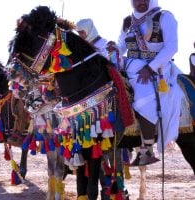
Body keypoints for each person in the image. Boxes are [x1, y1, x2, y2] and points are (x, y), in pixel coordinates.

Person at [113, 0, 184, 166]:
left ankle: (146, 148)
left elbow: (172, 47)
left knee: (143, 97)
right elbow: (121, 46)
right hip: (129, 65)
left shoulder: (165, 17)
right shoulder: (127, 21)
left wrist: (151, 68)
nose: (141, 2)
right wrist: (114, 49)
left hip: (158, 68)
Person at [76, 19, 128, 200]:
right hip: (87, 102)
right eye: (79, 32)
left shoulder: (104, 45)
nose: (81, 35)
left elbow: (111, 67)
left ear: (90, 30)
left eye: (82, 32)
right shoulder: (80, 49)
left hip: (105, 97)